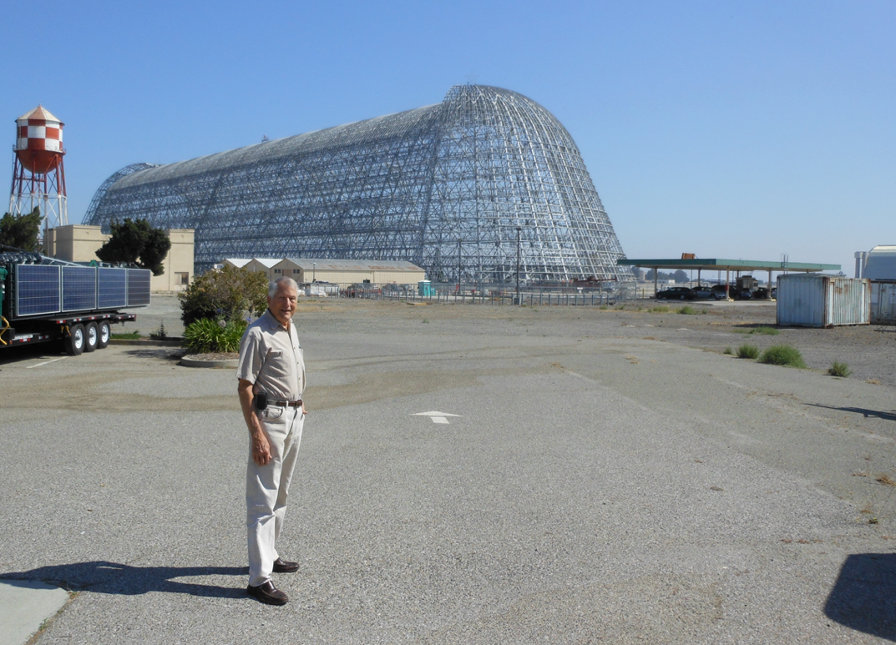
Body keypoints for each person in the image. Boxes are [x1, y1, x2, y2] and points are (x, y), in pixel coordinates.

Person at [237, 276, 307, 605]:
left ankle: (271, 555)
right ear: (269, 300)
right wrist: (257, 435)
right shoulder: (258, 333)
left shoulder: (290, 328)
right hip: (271, 422)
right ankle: (258, 579)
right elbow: (245, 387)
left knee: (281, 494)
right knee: (263, 500)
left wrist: (299, 401)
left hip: (293, 418)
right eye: (282, 298)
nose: (288, 304)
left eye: (292, 298)